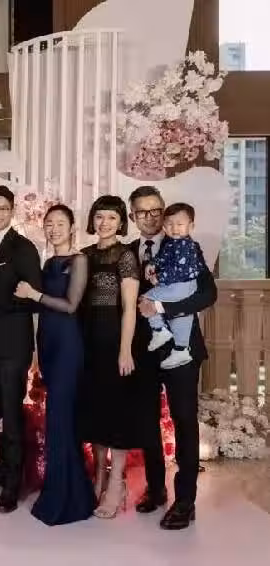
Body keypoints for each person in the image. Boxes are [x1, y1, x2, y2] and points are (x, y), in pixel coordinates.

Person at [128, 186, 217, 530]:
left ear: (164, 212)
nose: (150, 218)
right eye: (142, 212)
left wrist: (164, 307)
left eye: (155, 210)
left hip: (182, 349)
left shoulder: (184, 244)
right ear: (133, 216)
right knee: (146, 420)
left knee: (184, 420)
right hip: (144, 350)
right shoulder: (128, 251)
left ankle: (185, 501)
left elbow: (207, 294)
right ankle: (155, 489)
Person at [14, 204, 95, 525]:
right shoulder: (48, 263)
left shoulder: (79, 261)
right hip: (48, 343)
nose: (54, 228)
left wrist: (34, 295)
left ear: (72, 227)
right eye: (49, 223)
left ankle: (70, 498)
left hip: (69, 345)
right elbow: (42, 310)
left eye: (60, 223)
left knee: (61, 419)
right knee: (55, 419)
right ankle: (62, 488)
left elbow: (71, 305)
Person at [0, 185, 42, 514]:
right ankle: (2, 468)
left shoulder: (23, 248)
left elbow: (34, 296)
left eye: (2, 208)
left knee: (11, 414)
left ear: (12, 211)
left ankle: (14, 482)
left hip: (12, 345)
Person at [76, 195, 141, 519]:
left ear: (121, 222)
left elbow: (129, 307)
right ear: (93, 220)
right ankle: (99, 475)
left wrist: (125, 349)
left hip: (115, 338)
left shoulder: (125, 255)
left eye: (112, 218)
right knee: (95, 411)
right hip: (86, 339)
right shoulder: (84, 254)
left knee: (116, 412)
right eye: (100, 217)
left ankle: (116, 484)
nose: (104, 223)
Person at [141, 203, 206, 369]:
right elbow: (163, 258)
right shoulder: (171, 243)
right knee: (181, 318)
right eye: (169, 224)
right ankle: (181, 349)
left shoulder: (187, 246)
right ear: (164, 225)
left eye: (180, 224)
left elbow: (180, 270)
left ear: (191, 226)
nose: (174, 228)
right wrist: (153, 264)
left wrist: (160, 278)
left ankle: (159, 330)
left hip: (183, 285)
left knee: (147, 297)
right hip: (181, 287)